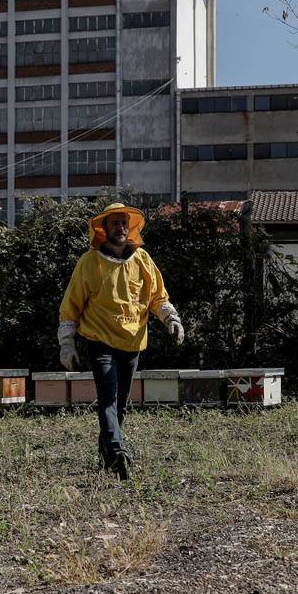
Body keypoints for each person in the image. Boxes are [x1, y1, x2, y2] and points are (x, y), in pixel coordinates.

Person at [57, 203, 185, 480]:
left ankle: (107, 452)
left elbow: (157, 297)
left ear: (131, 228)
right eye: (115, 223)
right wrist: (67, 342)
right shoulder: (89, 263)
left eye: (124, 223)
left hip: (133, 342)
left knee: (121, 403)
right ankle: (117, 451)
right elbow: (72, 303)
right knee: (107, 397)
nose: (121, 228)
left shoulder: (142, 260)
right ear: (104, 228)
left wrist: (171, 319)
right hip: (98, 339)